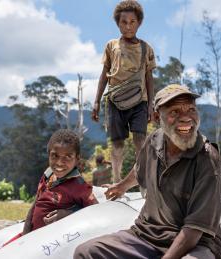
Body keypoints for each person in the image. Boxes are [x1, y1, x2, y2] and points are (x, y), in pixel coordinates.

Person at [75, 84, 221, 259]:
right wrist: (122, 186)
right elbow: (140, 168)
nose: (186, 118)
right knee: (86, 252)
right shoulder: (154, 141)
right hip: (147, 235)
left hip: (196, 244)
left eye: (191, 110)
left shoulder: (207, 157)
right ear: (156, 117)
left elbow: (193, 231)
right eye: (175, 112)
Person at [0, 129, 98, 259]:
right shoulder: (48, 175)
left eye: (67, 157)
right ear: (48, 154)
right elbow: (35, 205)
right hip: (29, 237)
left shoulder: (79, 186)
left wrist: (68, 213)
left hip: (47, 247)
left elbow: (96, 211)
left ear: (77, 159)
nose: (59, 163)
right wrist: (23, 238)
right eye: (54, 155)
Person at [91, 0, 156, 183]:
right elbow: (104, 74)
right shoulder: (111, 46)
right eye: (123, 22)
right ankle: (117, 180)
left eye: (132, 22)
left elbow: (149, 78)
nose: (128, 26)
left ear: (139, 23)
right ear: (117, 23)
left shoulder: (146, 48)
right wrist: (96, 101)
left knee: (140, 141)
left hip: (140, 101)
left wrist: (151, 104)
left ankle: (143, 181)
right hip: (115, 101)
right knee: (117, 142)